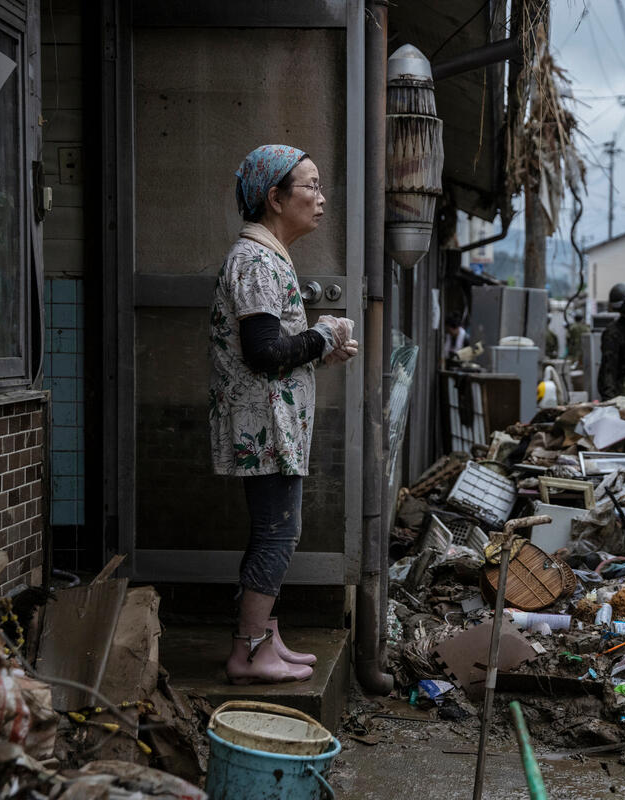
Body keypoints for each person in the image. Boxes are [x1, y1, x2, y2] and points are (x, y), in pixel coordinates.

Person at [210, 145, 359, 684]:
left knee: (276, 530)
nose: (321, 200)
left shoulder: (268, 256)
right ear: (274, 198)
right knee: (278, 534)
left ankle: (264, 638)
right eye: (310, 187)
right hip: (265, 427)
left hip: (275, 425)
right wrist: (321, 335)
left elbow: (273, 344)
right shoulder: (254, 259)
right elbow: (263, 352)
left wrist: (319, 344)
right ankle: (249, 652)